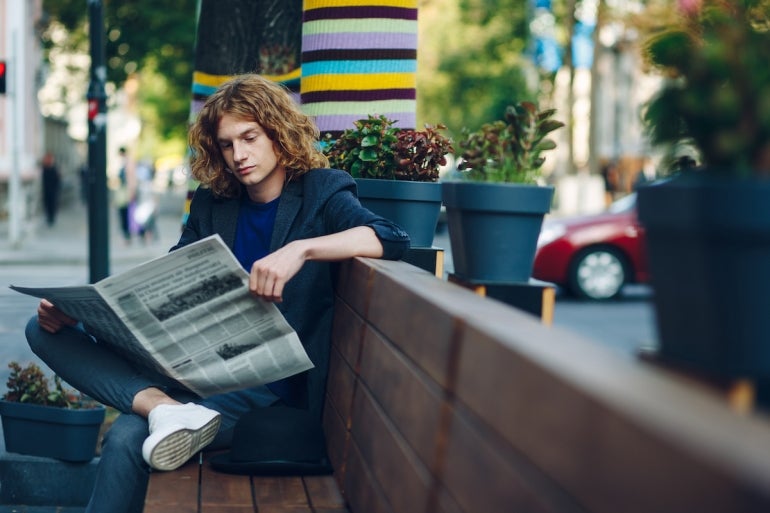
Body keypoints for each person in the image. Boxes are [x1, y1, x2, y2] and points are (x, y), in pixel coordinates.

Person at [25, 73, 410, 513]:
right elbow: (171, 276)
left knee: (130, 436)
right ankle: (164, 407)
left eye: (249, 137)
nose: (239, 155)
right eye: (227, 144)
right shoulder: (214, 203)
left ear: (277, 133)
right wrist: (89, 313)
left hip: (270, 388)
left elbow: (392, 237)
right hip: (194, 372)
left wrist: (301, 250)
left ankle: (162, 411)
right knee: (42, 330)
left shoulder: (321, 192)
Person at [40, 152, 61, 226]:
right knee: (47, 204)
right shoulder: (45, 169)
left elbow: (57, 180)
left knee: (52, 204)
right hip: (46, 190)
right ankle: (49, 217)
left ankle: (52, 218)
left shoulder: (54, 169)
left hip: (53, 190)